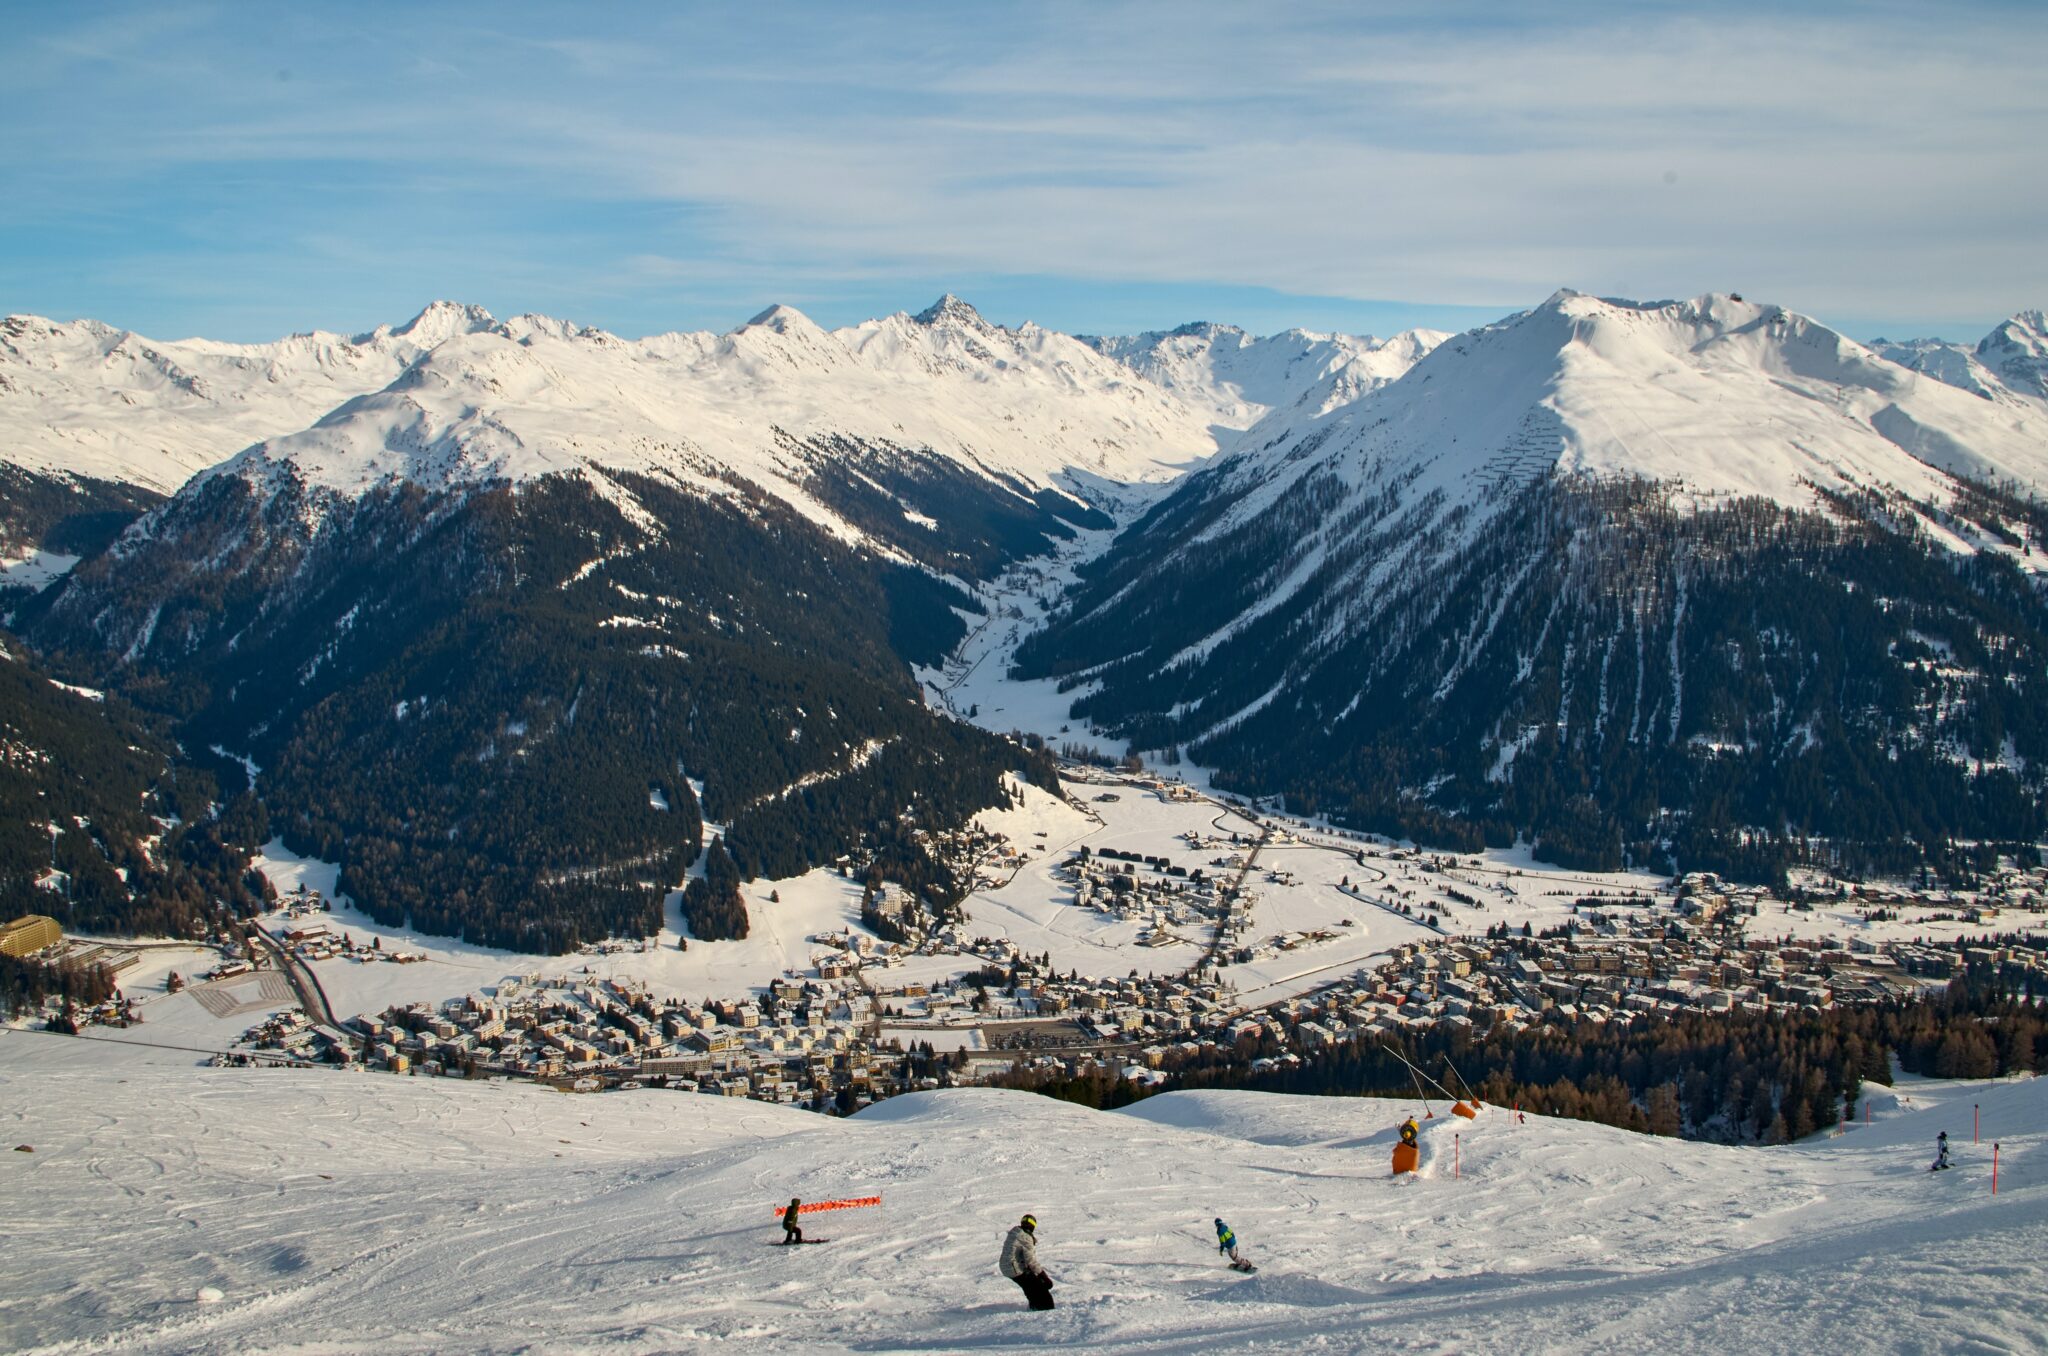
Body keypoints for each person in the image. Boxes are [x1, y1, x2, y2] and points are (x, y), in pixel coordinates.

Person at [999, 1213, 1054, 1310]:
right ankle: (1046, 1309)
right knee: (1039, 1288)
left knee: (1030, 1286)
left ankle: (1035, 1306)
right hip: (1013, 1267)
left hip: (1007, 1266)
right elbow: (1031, 1261)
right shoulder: (1025, 1237)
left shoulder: (1015, 1232)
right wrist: (1044, 1276)